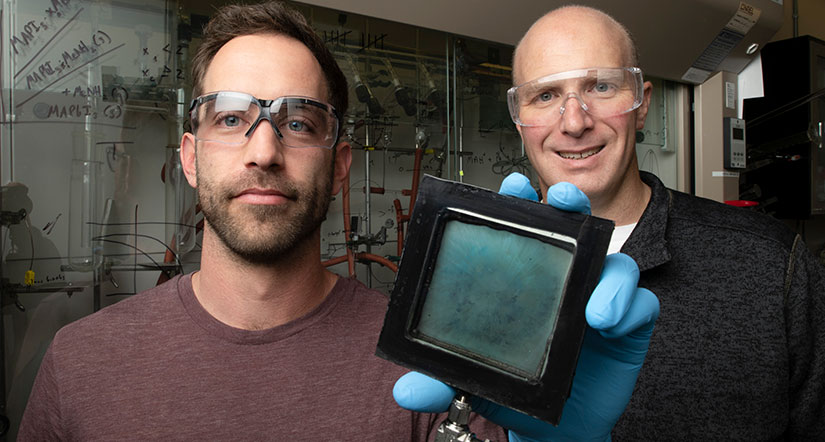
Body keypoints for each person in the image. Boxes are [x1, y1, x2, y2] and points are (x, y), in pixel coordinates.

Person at [19, 2, 659, 440]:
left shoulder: (427, 367)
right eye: (230, 118)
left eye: (298, 123)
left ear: (341, 163)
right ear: (190, 157)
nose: (264, 150)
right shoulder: (81, 363)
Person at [505, 5, 825, 440]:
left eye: (601, 86)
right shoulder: (485, 268)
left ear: (641, 106)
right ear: (519, 122)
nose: (575, 122)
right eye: (545, 96)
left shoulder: (770, 266)